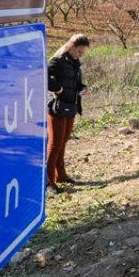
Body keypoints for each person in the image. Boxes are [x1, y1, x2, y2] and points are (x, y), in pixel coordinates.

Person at [46, 34, 90, 194]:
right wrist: (59, 90)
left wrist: (82, 88)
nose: (80, 55)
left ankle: (61, 175)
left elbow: (76, 83)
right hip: (57, 108)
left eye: (82, 53)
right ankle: (49, 181)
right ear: (71, 46)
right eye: (79, 52)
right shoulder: (57, 61)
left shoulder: (75, 63)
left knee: (63, 143)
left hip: (71, 106)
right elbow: (47, 78)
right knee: (54, 145)